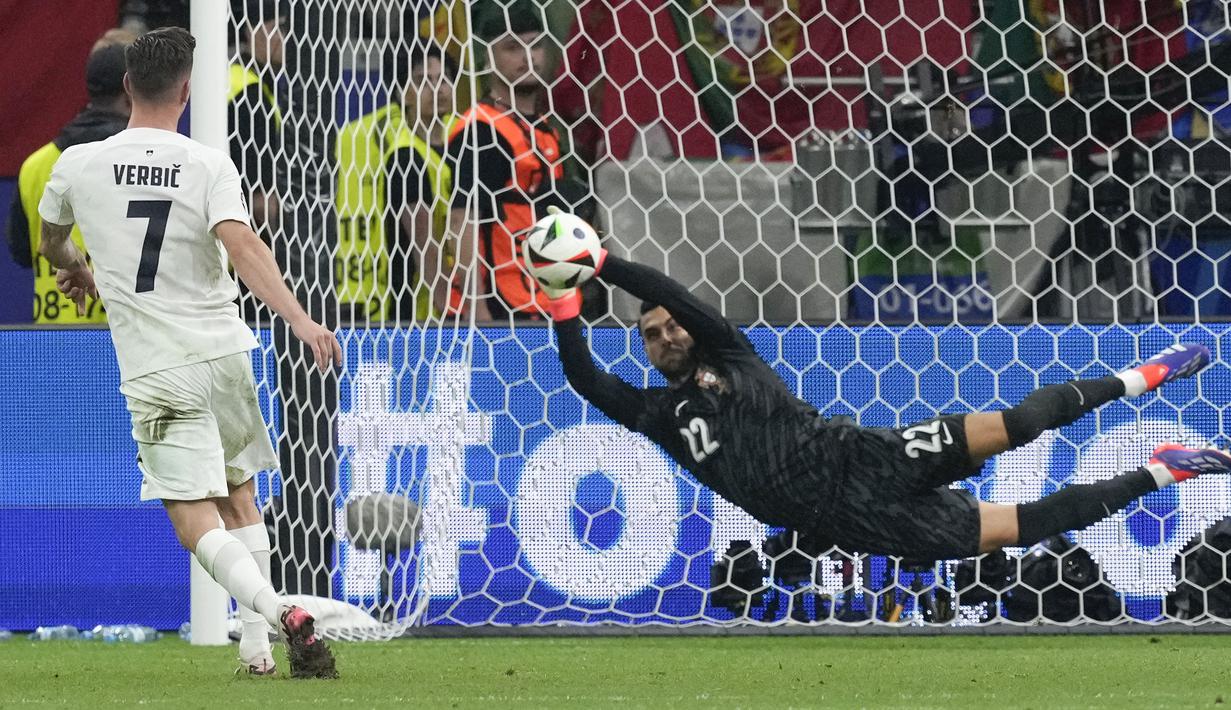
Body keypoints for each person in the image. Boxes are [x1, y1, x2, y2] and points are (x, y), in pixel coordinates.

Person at [544, 240, 1226, 563]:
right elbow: (583, 377)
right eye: (650, 334)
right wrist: (563, 301)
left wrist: (597, 259)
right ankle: (1165, 467)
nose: (664, 335)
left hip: (861, 460)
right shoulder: (658, 416)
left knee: (1015, 426)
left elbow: (673, 287)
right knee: (1019, 527)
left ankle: (1143, 377)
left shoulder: (731, 354)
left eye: (669, 324)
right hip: (843, 520)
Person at [37, 27, 339, 678]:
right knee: (242, 497)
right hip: (227, 352)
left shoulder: (75, 164)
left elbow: (51, 242)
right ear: (185, 90)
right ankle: (258, 654)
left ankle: (280, 610)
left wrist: (82, 267)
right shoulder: (208, 164)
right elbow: (243, 246)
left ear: (124, 87)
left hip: (158, 366)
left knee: (191, 517)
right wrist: (302, 320)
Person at [445, 2, 565, 321]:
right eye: (513, 47)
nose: (528, 57)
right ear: (488, 57)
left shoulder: (544, 130)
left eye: (536, 45)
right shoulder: (482, 130)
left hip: (542, 300)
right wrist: (478, 309)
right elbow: (462, 221)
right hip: (499, 305)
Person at [7, 31, 134, 324]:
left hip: (51, 335)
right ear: (131, 88)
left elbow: (23, 253)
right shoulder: (141, 160)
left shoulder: (35, 165)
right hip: (122, 332)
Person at [335, 42, 455, 322]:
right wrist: (446, 303)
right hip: (413, 307)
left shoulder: (461, 145)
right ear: (403, 94)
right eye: (422, 80)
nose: (437, 88)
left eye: (444, 79)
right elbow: (421, 240)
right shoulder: (406, 156)